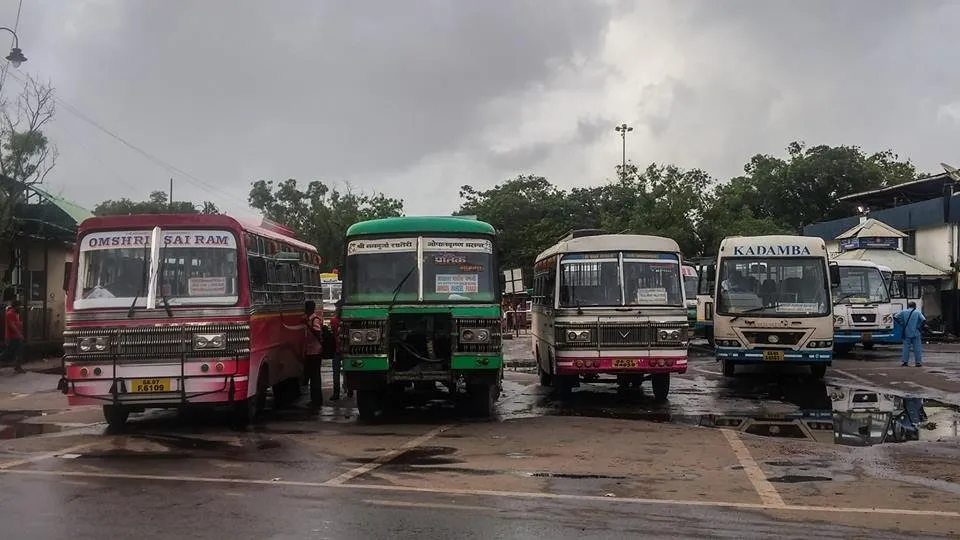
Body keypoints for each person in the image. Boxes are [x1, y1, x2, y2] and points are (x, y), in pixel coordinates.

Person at [304, 300, 324, 407]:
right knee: (313, 377)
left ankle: (316, 400)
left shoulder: (314, 320)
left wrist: (308, 325)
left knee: (315, 378)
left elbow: (317, 331)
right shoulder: (310, 319)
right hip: (311, 352)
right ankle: (315, 399)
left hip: (315, 352)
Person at [329, 299, 350, 400]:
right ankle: (349, 390)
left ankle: (336, 393)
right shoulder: (349, 320)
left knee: (336, 373)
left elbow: (333, 333)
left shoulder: (333, 321)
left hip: (337, 350)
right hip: (347, 349)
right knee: (348, 371)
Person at [894, 301, 925, 367]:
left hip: (906, 332)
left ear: (908, 306)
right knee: (917, 348)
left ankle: (905, 362)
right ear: (915, 306)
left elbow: (895, 317)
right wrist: (919, 327)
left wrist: (901, 323)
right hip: (916, 332)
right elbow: (923, 320)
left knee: (906, 347)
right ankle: (918, 362)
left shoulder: (903, 311)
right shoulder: (917, 312)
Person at [1, 299, 25, 374]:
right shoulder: (10, 314)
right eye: (19, 306)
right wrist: (19, 334)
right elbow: (12, 326)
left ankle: (18, 367)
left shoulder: (15, 314)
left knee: (19, 352)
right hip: (11, 337)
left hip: (16, 337)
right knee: (8, 352)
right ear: (15, 306)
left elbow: (17, 324)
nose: (20, 308)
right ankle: (17, 367)